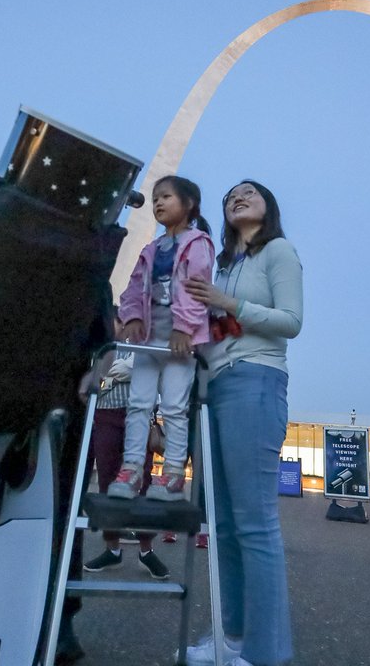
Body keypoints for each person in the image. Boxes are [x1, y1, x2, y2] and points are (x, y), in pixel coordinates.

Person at [182, 180, 303, 666]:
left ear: (268, 206)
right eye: (231, 194)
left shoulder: (279, 251)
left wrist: (228, 303)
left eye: (249, 192)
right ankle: (230, 635)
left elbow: (291, 321)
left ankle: (265, 653)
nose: (238, 197)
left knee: (255, 525)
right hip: (215, 388)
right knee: (225, 526)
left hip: (256, 379)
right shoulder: (223, 266)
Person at [111, 175, 214, 501]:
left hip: (178, 345)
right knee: (138, 405)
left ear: (189, 205)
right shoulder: (150, 249)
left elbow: (197, 290)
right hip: (148, 341)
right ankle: (130, 471)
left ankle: (172, 476)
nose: (157, 203)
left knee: (174, 407)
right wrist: (133, 317)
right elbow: (131, 289)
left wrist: (185, 327)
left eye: (166, 197)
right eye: (156, 198)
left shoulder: (198, 244)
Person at [80, 335, 170, 580]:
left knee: (143, 485)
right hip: (106, 414)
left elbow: (160, 367)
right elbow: (97, 375)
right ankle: (112, 549)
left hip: (140, 415)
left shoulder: (151, 338)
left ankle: (146, 550)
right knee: (108, 482)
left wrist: (126, 369)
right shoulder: (107, 346)